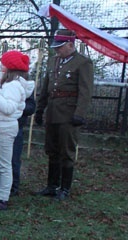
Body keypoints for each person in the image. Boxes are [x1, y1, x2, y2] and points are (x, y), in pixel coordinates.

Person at [35, 29, 94, 201]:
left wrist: (79, 114)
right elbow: (46, 87)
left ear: (70, 44)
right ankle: (52, 186)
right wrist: (40, 109)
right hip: (53, 112)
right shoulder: (53, 61)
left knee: (66, 151)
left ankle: (65, 188)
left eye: (60, 47)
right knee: (51, 150)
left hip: (69, 114)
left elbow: (85, 91)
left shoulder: (83, 63)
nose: (57, 50)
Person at [0, 50, 35, 210]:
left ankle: (2, 198)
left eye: (3, 63)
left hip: (4, 127)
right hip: (2, 126)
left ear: (10, 67)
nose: (1, 65)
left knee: (4, 166)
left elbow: (8, 107)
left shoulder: (13, 85)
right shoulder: (11, 84)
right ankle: (0, 195)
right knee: (4, 164)